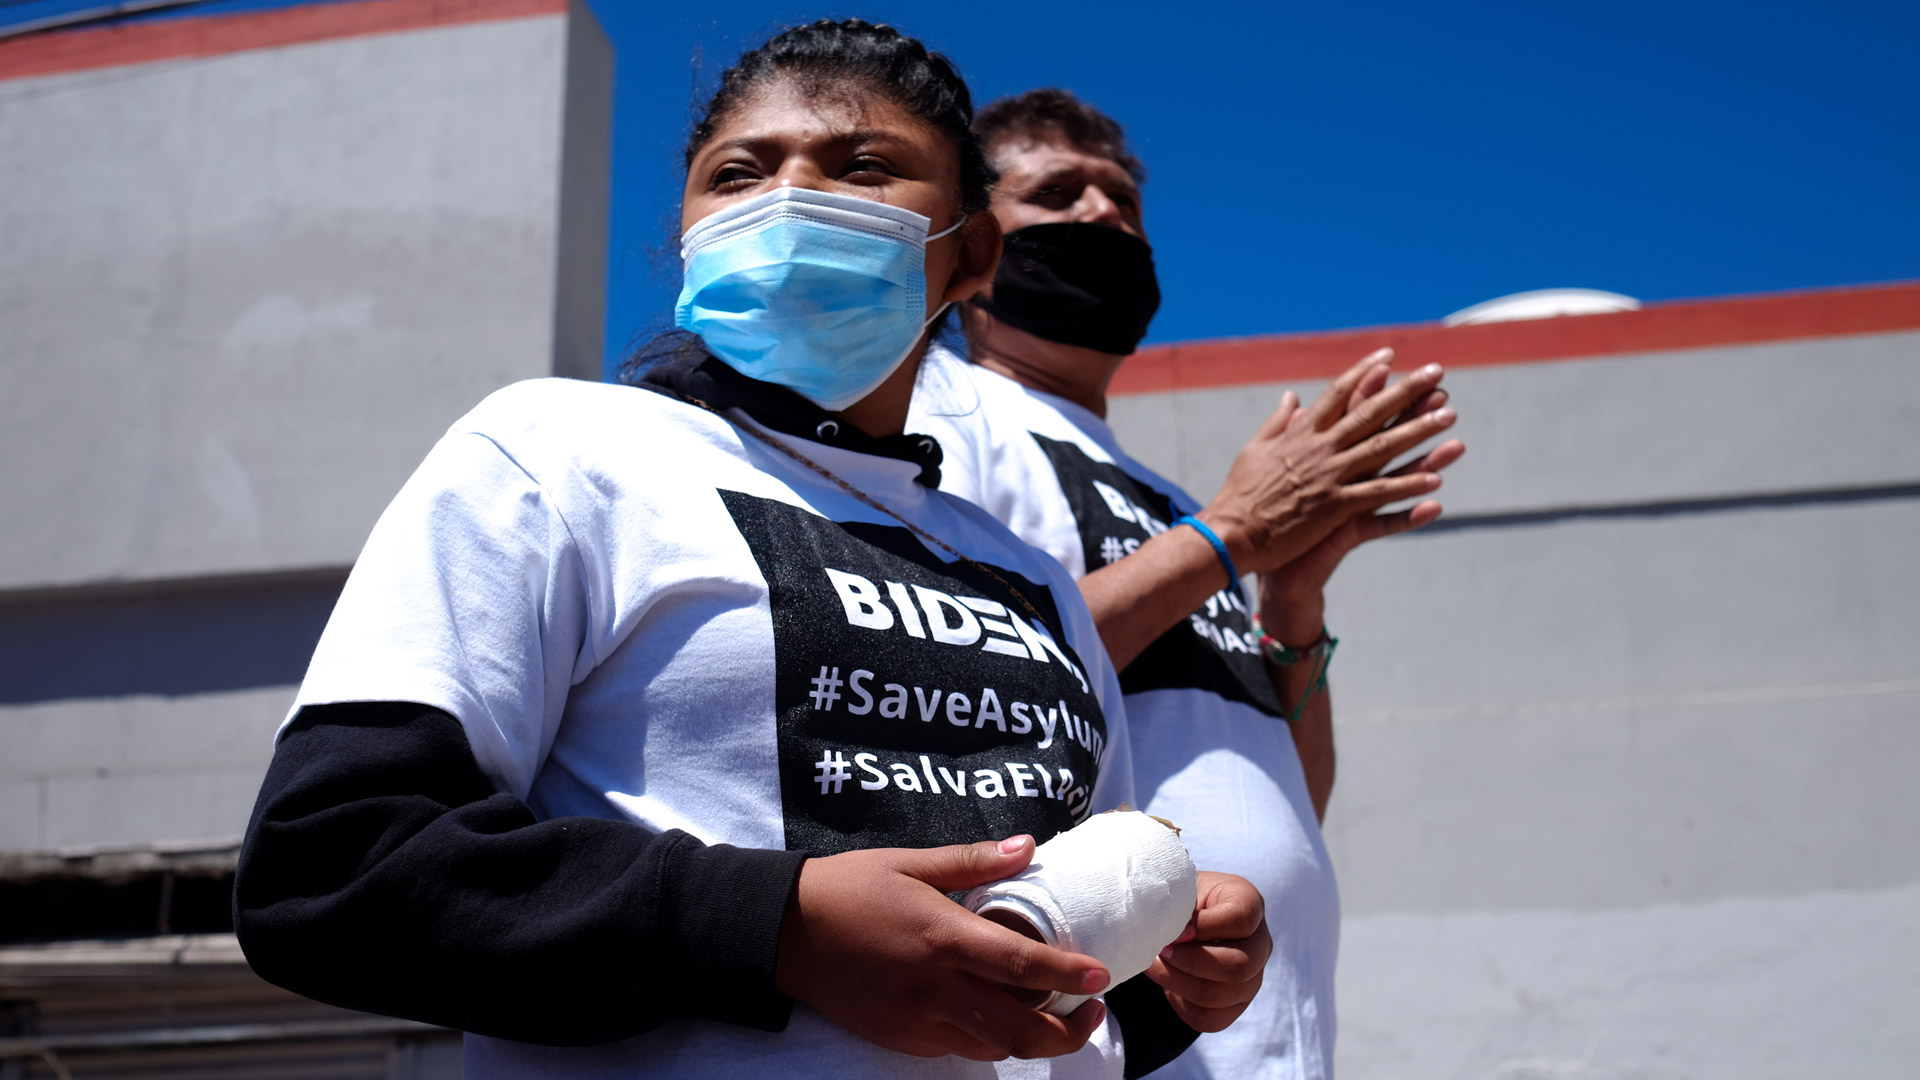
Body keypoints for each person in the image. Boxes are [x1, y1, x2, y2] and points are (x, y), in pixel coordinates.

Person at [233, 21, 1274, 1080]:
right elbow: (331, 868)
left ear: (972, 256)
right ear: (687, 226)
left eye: (862, 168)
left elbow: (1055, 982)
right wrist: (779, 929)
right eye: (737, 173)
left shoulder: (1036, 583)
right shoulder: (558, 454)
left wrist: (1175, 969)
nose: (787, 201)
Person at [906, 89, 1466, 1078]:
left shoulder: (1164, 497)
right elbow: (982, 678)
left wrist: (1292, 604)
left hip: (1271, 1038)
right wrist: (1235, 532)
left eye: (1122, 196)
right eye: (1059, 191)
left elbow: (1293, 800)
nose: (1104, 215)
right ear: (978, 248)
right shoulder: (945, 418)